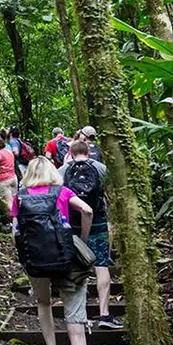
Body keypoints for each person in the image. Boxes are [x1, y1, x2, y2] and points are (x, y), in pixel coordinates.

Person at [12, 156, 96, 345]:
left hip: (37, 263)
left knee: (43, 303)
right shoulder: (63, 191)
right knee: (77, 329)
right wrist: (80, 241)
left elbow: (15, 232)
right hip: (66, 261)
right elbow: (88, 211)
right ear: (52, 171)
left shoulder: (21, 197)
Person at [60, 140, 122, 329]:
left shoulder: (62, 171)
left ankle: (81, 314)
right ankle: (104, 315)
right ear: (89, 151)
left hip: (73, 226)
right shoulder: (102, 168)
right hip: (98, 221)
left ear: (70, 152)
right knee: (102, 266)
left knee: (77, 268)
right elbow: (110, 194)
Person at [0, 137, 18, 216]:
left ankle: (14, 223)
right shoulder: (9, 152)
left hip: (4, 180)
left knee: (8, 203)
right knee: (14, 202)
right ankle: (16, 221)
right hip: (13, 178)